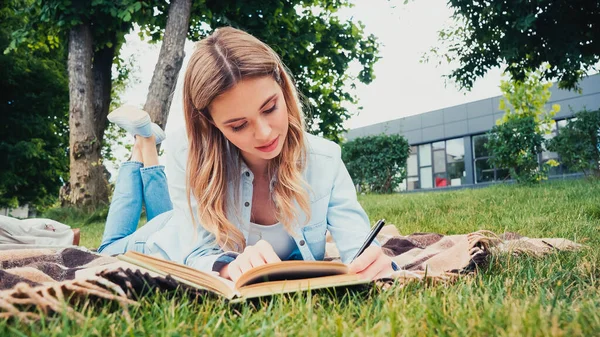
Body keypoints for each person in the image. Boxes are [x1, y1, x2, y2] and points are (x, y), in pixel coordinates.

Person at [99, 27, 395, 281]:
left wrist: (375, 263)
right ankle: (143, 143)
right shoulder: (186, 151)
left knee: (167, 214)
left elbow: (360, 246)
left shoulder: (325, 159)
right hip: (165, 236)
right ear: (211, 123)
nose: (265, 133)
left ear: (282, 86)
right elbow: (193, 250)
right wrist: (228, 267)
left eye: (270, 108)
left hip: (180, 217)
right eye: (238, 125)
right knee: (108, 249)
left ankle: (145, 140)